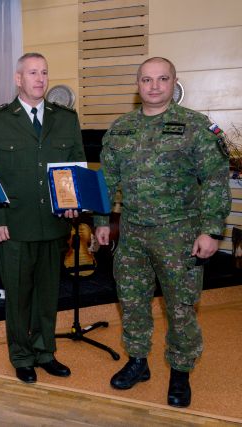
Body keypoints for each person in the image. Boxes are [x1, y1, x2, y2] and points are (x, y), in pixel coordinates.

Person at [95, 57, 231, 408]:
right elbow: (106, 181)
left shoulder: (195, 126)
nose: (154, 86)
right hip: (132, 233)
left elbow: (215, 180)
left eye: (162, 79)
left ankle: (181, 372)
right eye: (146, 80)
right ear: (137, 85)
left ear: (174, 82)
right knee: (131, 300)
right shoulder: (121, 129)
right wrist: (101, 222)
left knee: (181, 306)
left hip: (179, 234)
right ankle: (138, 361)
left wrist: (211, 231)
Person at [0, 52, 85, 384]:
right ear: (18, 79)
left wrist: (74, 203)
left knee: (47, 294)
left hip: (53, 223)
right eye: (32, 73)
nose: (40, 79)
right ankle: (22, 355)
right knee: (18, 295)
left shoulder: (65, 119)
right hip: (14, 225)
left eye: (44, 72)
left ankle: (45, 351)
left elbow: (75, 165)